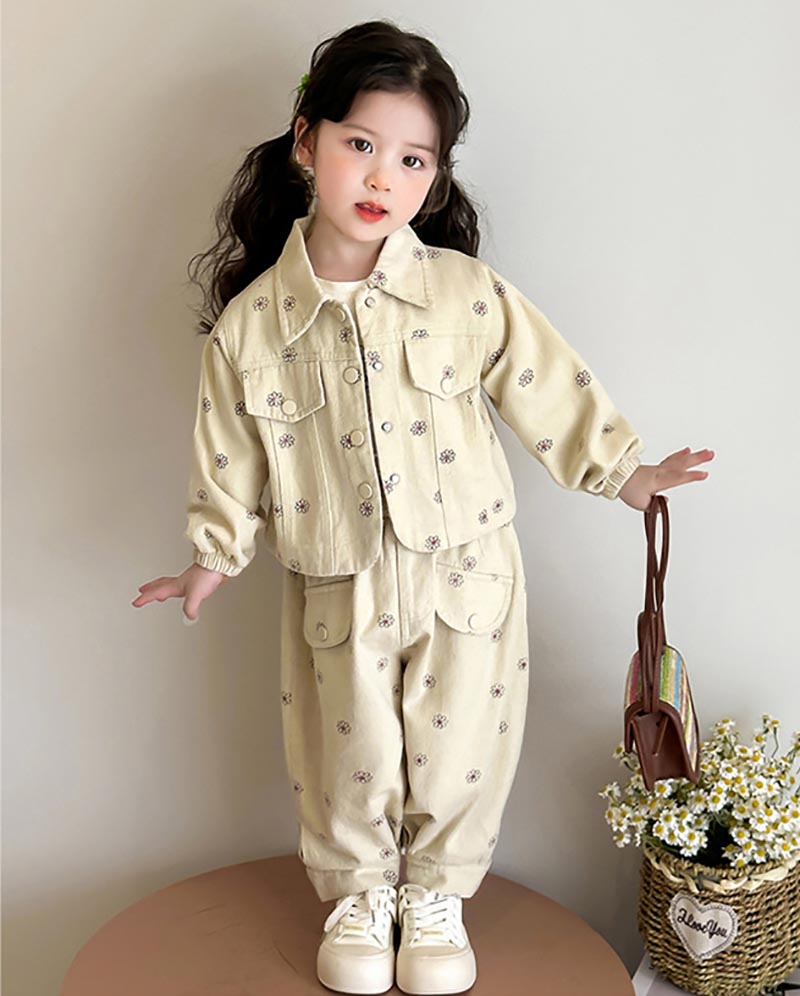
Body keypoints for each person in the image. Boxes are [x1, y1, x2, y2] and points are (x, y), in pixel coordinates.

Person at [132, 18, 714, 996]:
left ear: (434, 178)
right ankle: (361, 897)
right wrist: (211, 557)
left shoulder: (462, 293)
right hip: (337, 578)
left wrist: (623, 471)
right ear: (305, 139)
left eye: (411, 159)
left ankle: (436, 898)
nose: (381, 177)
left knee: (459, 744)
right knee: (347, 747)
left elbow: (542, 383)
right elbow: (229, 450)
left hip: (467, 573)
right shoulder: (254, 326)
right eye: (360, 143)